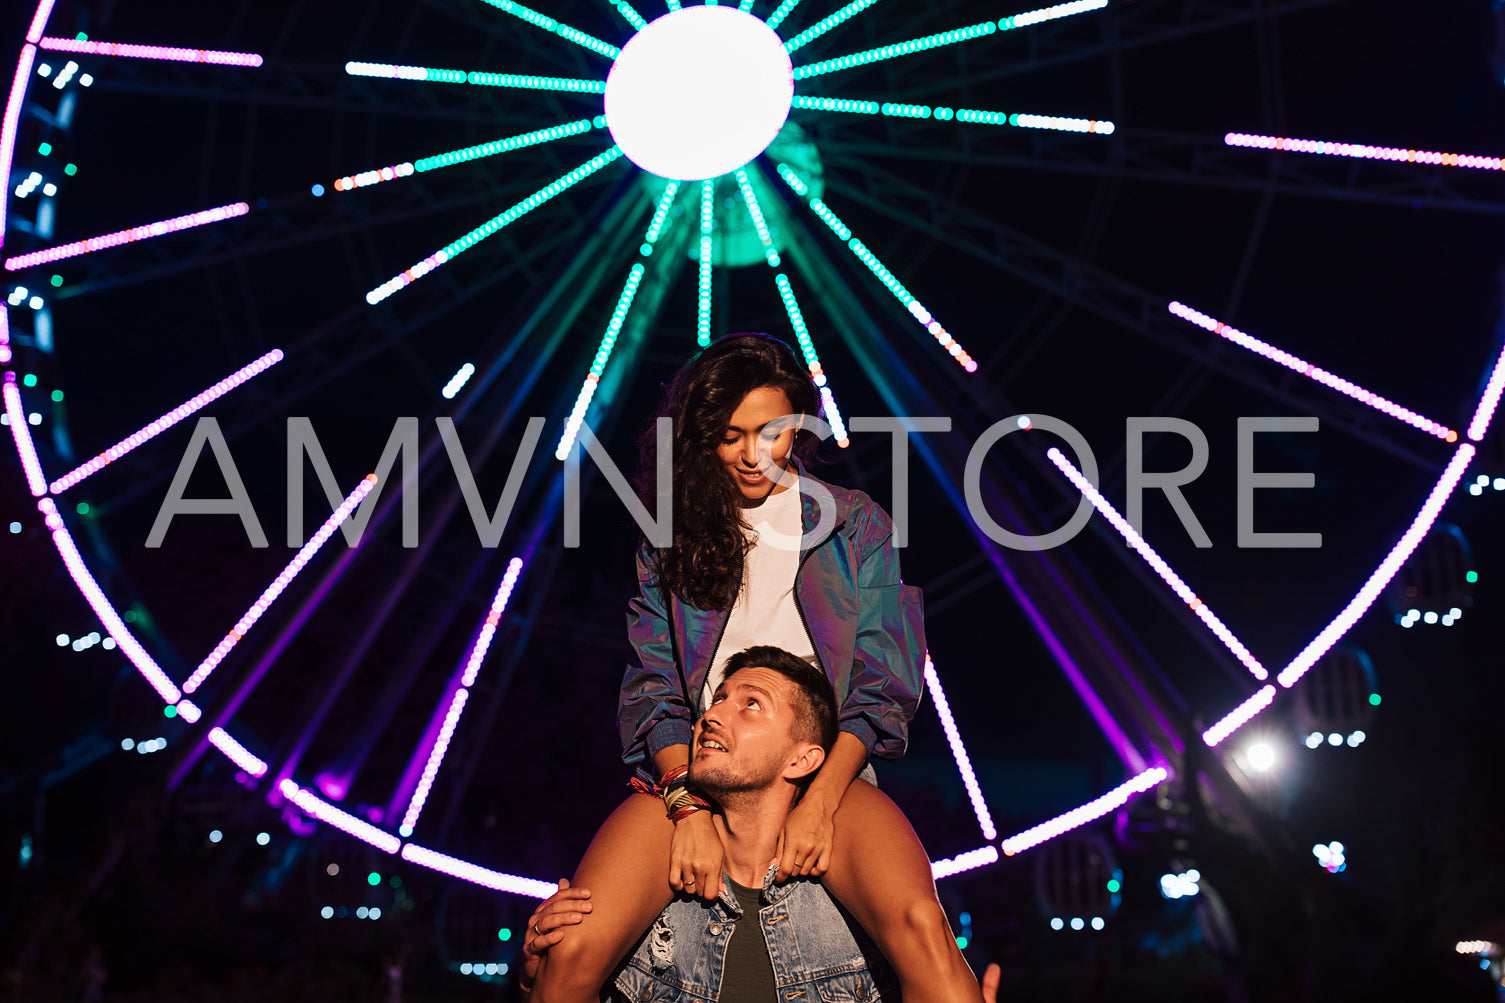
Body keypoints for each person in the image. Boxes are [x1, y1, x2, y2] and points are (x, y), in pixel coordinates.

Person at [530, 335, 981, 1002]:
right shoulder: (669, 535)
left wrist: (821, 799)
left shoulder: (854, 525)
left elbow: (884, 683)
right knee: (565, 953)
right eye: (730, 434)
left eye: (771, 431)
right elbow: (653, 688)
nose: (751, 454)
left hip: (823, 764)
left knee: (924, 929)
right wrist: (684, 804)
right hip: (698, 765)